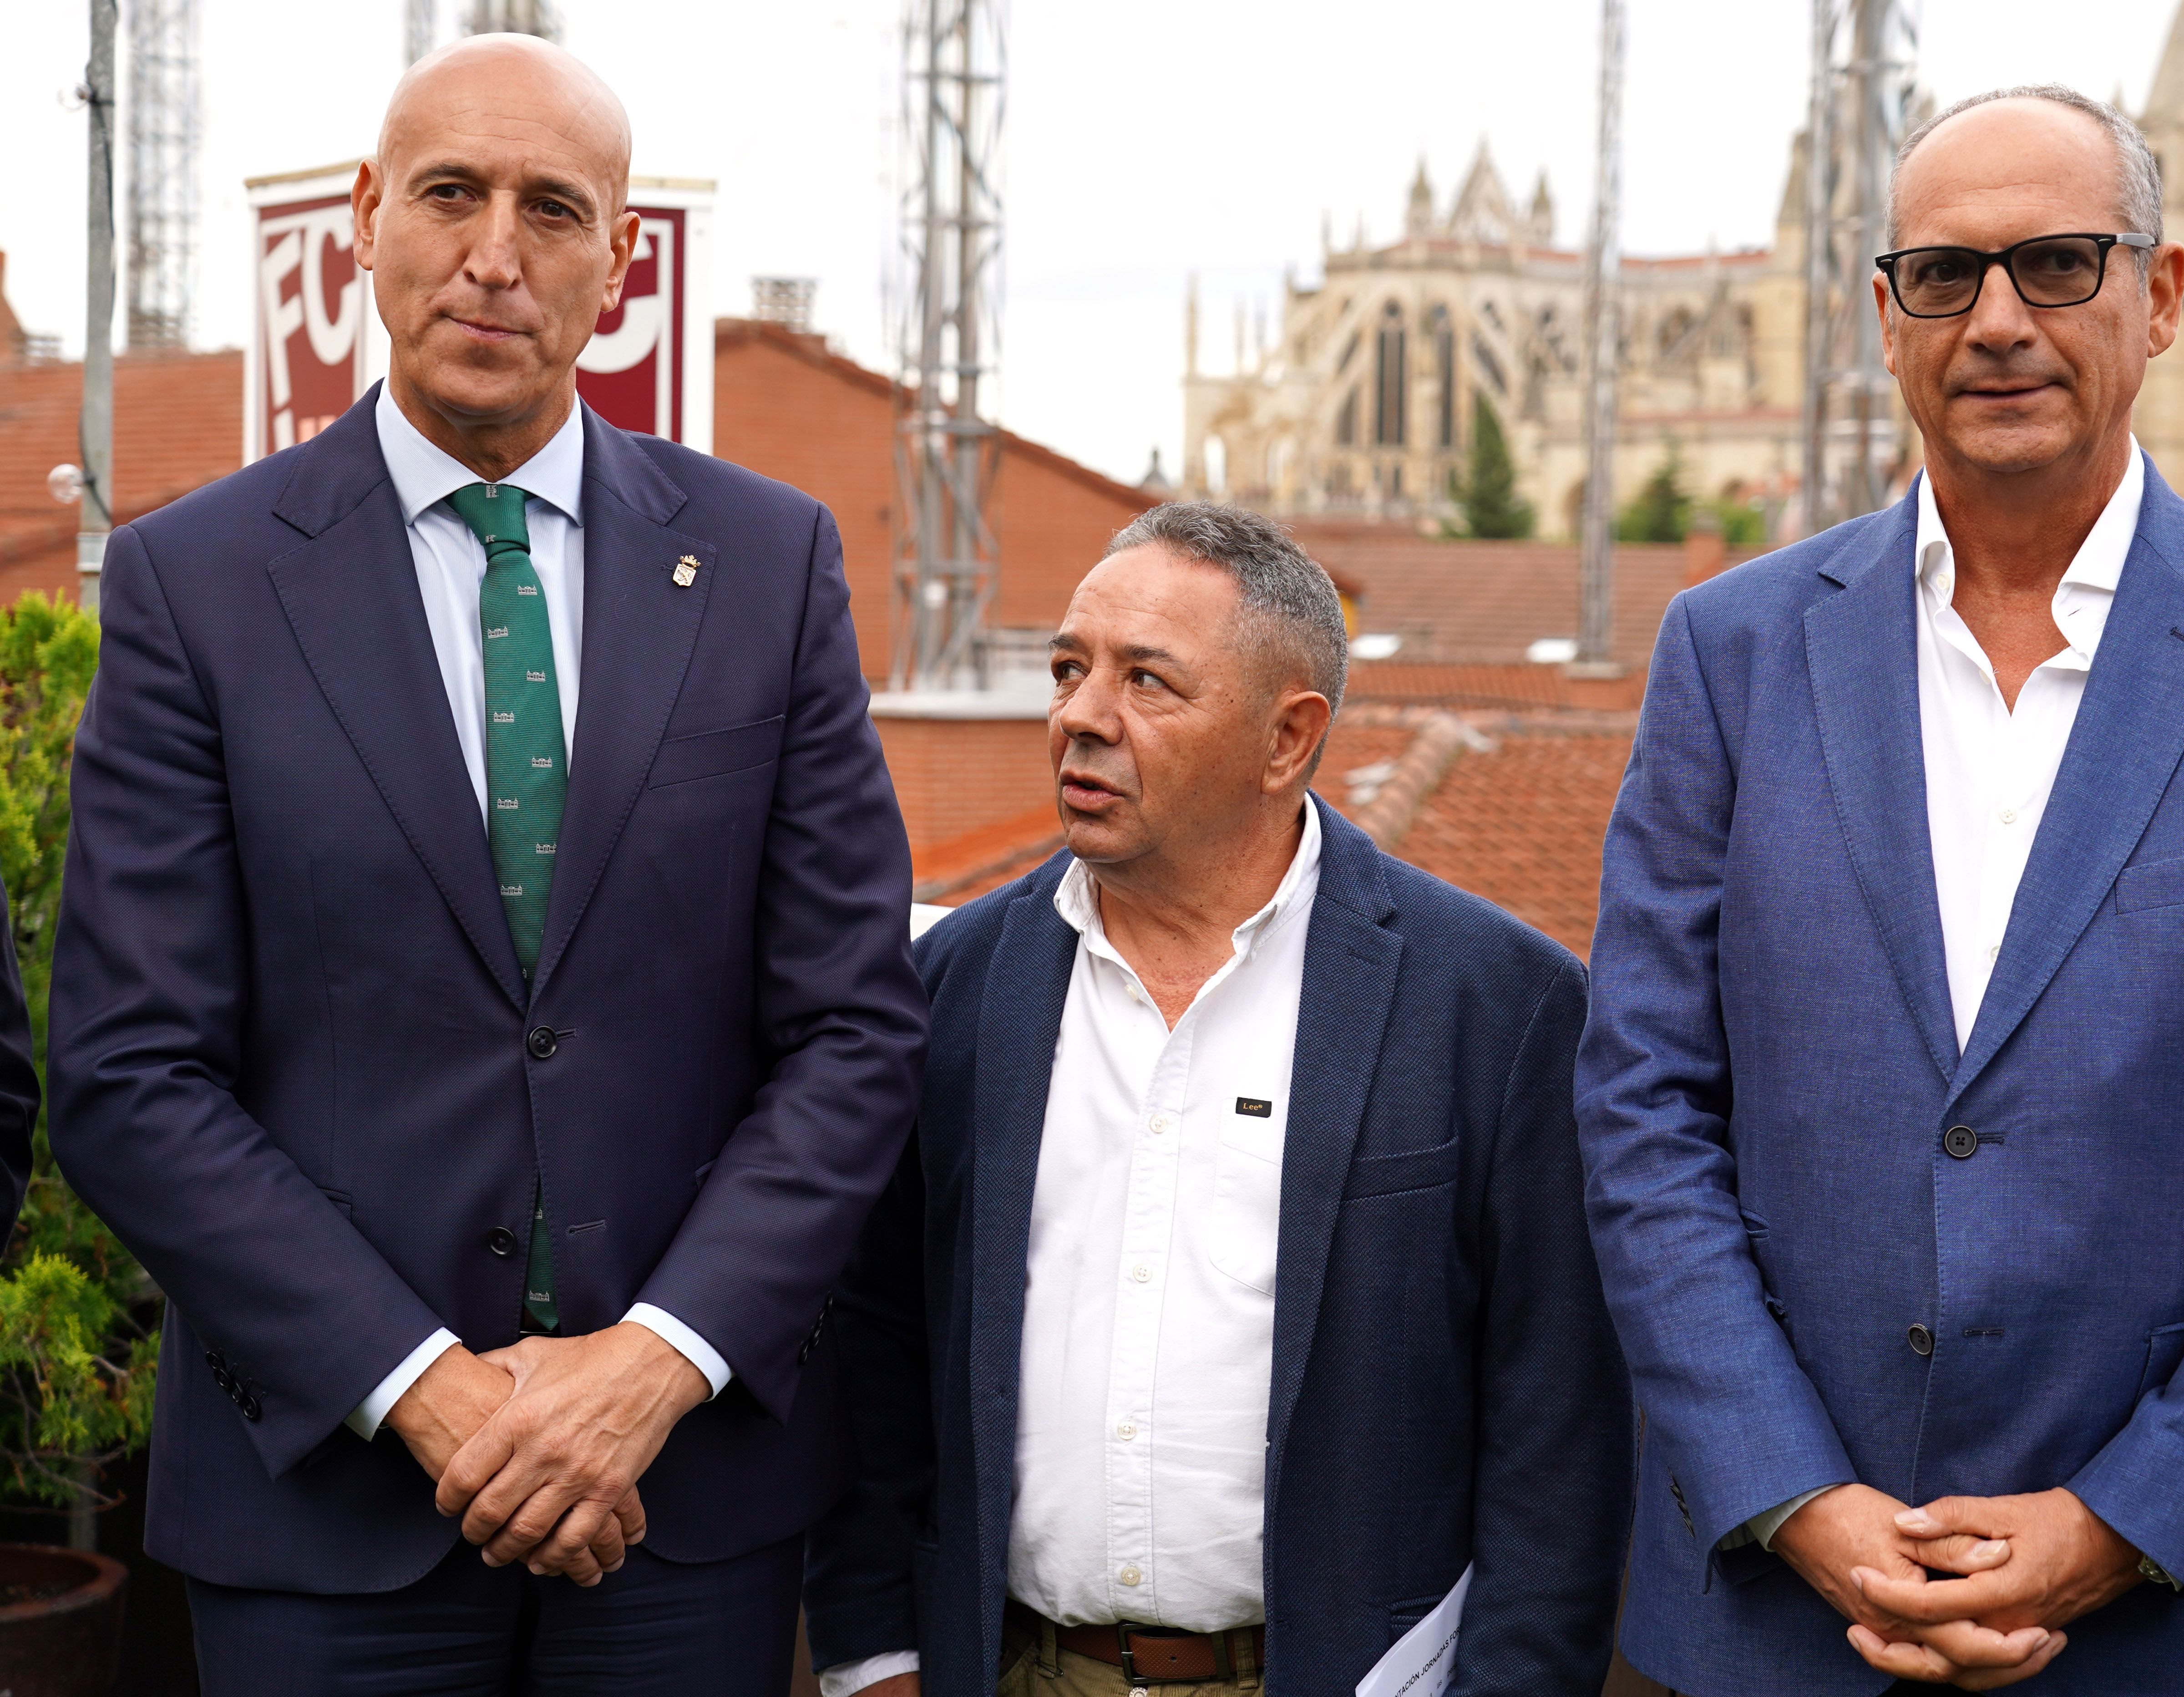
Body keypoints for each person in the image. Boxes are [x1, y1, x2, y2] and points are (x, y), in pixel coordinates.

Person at [47, 33, 927, 1694]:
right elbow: (128, 1071)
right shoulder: (195, 586)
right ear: (370, 220)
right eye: (450, 194)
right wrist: (431, 1393)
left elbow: (854, 1032)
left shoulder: (765, 564)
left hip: (681, 1511)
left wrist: (648, 1373)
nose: (495, 254)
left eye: (554, 210)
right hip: (327, 1511)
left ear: (620, 263)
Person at [1577, 85, 2184, 1696]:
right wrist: (1798, 1497)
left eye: (2058, 265)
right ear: (1883, 317)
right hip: (1791, 1626)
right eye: (1944, 276)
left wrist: (2118, 1522)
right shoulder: (1732, 651)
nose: (1997, 322)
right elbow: (1643, 1107)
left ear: (2163, 295)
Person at [802, 503, 1632, 1697]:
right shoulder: (954, 991)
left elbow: (1558, 1438)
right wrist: (871, 1655)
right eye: (1069, 669)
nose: (1082, 717)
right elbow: (874, 1347)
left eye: (1148, 681)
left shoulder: (1498, 1008)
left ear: (1288, 740)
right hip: (1016, 1670)